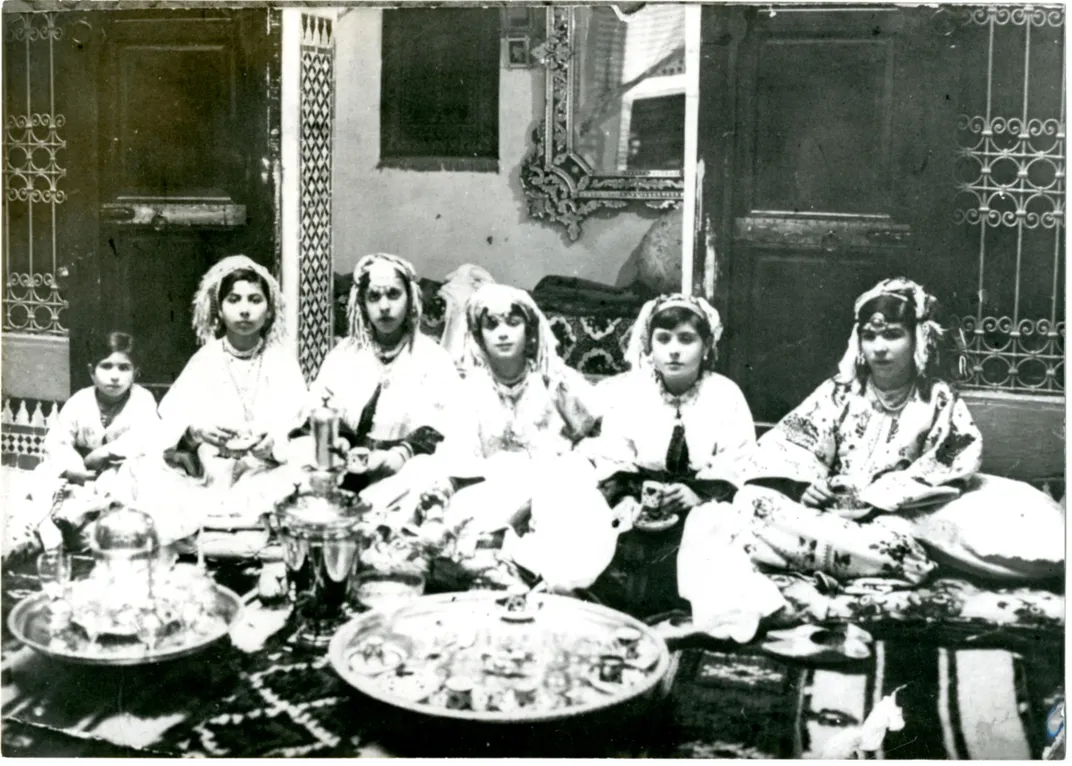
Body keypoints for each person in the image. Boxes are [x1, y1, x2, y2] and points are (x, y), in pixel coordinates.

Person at [729, 277, 981, 584]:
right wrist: (806, 487)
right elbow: (794, 442)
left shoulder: (938, 398)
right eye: (869, 336)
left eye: (892, 335)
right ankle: (841, 562)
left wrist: (875, 500)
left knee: (897, 549)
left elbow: (951, 459)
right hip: (827, 513)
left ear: (917, 338)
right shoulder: (841, 392)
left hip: (890, 518)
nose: (879, 348)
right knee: (749, 500)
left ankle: (803, 558)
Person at [580, 293, 758, 614]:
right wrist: (630, 494)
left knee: (710, 541)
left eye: (687, 339)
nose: (674, 350)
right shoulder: (633, 394)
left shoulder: (725, 395)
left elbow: (738, 460)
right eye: (663, 339)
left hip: (703, 501)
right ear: (649, 348)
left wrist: (697, 494)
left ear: (706, 347)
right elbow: (614, 453)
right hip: (641, 499)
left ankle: (686, 610)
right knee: (608, 539)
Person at [431, 283, 615, 590]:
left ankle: (545, 582)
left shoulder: (555, 381)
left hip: (554, 484)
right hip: (493, 488)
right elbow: (462, 459)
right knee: (465, 527)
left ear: (529, 331)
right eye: (492, 325)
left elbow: (593, 434)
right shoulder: (469, 390)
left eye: (512, 323)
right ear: (478, 335)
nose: (503, 333)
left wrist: (575, 460)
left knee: (573, 515)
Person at [124, 255, 308, 546]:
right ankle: (225, 534)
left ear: (269, 309)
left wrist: (272, 447)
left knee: (302, 478)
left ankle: (225, 536)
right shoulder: (206, 359)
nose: (245, 310)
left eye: (255, 300)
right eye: (234, 300)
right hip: (209, 474)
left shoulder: (282, 362)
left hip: (263, 474)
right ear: (219, 310)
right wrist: (194, 434)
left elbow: (298, 430)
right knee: (144, 469)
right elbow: (170, 433)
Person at [305, 253, 465, 516]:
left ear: (410, 299)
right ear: (362, 303)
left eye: (393, 295)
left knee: (422, 481)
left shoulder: (432, 358)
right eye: (374, 297)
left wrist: (400, 455)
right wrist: (340, 442)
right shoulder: (345, 354)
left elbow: (446, 422)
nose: (384, 306)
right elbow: (320, 406)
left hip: (407, 467)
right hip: (350, 467)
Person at [3, 332, 161, 561]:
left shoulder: (142, 399)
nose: (115, 376)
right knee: (45, 480)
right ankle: (31, 536)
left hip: (120, 471)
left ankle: (86, 531)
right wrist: (72, 468)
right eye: (106, 367)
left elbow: (147, 435)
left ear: (135, 372)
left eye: (124, 368)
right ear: (91, 371)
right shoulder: (80, 400)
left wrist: (106, 452)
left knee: (129, 488)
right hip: (80, 472)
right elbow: (57, 440)